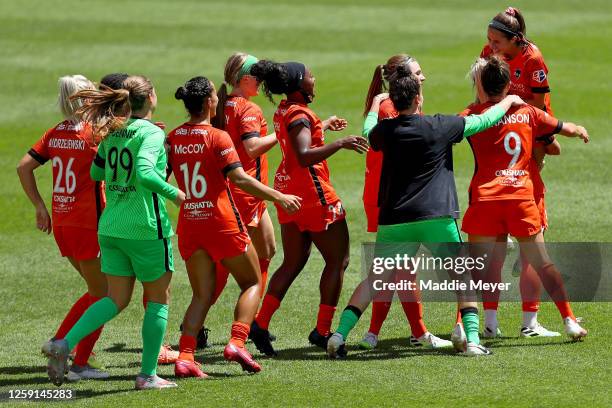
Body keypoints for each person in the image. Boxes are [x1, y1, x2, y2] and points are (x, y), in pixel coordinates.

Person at [327, 67, 526, 358]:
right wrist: (508, 102)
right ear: (419, 98)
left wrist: (373, 104)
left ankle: (338, 335)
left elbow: (368, 131)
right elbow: (484, 120)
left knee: (374, 280)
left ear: (393, 103)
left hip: (395, 221)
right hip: (437, 218)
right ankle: (472, 341)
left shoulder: (385, 131)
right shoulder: (441, 125)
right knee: (463, 277)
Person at [43, 75, 187, 390]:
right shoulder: (149, 133)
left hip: (111, 227)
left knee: (115, 298)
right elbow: (147, 173)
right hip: (145, 228)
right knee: (159, 300)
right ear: (151, 97)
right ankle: (147, 375)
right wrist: (175, 193)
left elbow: (96, 171)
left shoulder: (113, 131)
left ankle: (65, 343)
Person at [169, 76, 301, 378]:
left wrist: (183, 200)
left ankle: (186, 355)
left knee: (201, 295)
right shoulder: (217, 137)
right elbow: (240, 179)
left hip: (190, 225)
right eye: (216, 96)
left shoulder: (173, 137)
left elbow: (159, 178)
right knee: (252, 281)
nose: (219, 99)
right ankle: (238, 342)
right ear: (207, 103)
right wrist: (278, 196)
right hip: (221, 223)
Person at [460, 56, 589, 341]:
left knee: (475, 267)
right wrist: (578, 130)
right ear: (508, 85)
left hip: (485, 201)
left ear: (480, 85)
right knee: (543, 263)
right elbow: (561, 127)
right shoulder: (527, 111)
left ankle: (483, 324)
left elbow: (445, 133)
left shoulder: (471, 114)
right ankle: (569, 320)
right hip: (520, 198)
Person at [248, 60, 369, 356]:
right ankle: (323, 330)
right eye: (311, 76)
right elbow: (303, 155)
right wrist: (339, 142)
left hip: (289, 193)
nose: (315, 79)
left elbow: (296, 138)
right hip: (314, 197)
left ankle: (260, 324)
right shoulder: (300, 114)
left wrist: (322, 125)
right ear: (300, 83)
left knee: (293, 262)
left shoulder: (285, 110)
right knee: (338, 260)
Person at [479, 7, 565, 336]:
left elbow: (540, 107)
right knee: (521, 230)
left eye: (497, 41)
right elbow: (483, 92)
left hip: (529, 131)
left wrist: (540, 143)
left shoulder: (534, 60)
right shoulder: (490, 52)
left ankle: (528, 321)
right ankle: (501, 321)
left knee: (531, 224)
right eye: (488, 40)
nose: (490, 47)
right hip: (506, 134)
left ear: (515, 39)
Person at [17, 75, 108, 381]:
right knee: (105, 294)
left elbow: (23, 166)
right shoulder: (93, 134)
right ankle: (62, 346)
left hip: (63, 223)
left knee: (98, 292)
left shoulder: (56, 133)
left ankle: (79, 358)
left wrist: (40, 207)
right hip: (88, 224)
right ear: (86, 97)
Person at [359, 54, 452, 351]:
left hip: (387, 195)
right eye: (418, 73)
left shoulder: (386, 105)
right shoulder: (390, 109)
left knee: (397, 267)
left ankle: (381, 333)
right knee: (399, 268)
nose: (423, 78)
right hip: (390, 197)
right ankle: (413, 332)